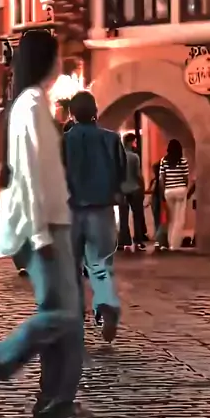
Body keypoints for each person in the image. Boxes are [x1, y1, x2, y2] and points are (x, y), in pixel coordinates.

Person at [0, 30, 87, 418]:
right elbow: (32, 175)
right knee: (65, 316)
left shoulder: (31, 105)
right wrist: (40, 234)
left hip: (51, 220)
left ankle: (55, 399)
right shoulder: (31, 106)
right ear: (46, 60)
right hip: (45, 223)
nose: (61, 63)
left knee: (63, 316)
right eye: (58, 56)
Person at [63, 91, 126, 343]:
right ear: (95, 112)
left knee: (70, 266)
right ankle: (106, 302)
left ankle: (75, 316)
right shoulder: (111, 139)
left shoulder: (63, 141)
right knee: (100, 263)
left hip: (70, 209)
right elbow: (122, 172)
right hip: (101, 207)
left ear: (72, 114)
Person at [118, 133, 147, 251]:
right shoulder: (135, 157)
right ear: (130, 142)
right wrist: (143, 186)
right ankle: (138, 240)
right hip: (134, 188)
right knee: (137, 215)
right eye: (134, 142)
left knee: (123, 217)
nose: (135, 144)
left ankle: (124, 240)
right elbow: (138, 175)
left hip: (122, 189)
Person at [159, 139, 189, 251]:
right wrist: (185, 187)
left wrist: (163, 192)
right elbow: (186, 178)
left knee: (171, 218)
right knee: (179, 219)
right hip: (180, 189)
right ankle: (174, 244)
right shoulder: (183, 161)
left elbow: (162, 179)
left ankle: (170, 241)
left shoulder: (164, 161)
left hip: (168, 191)